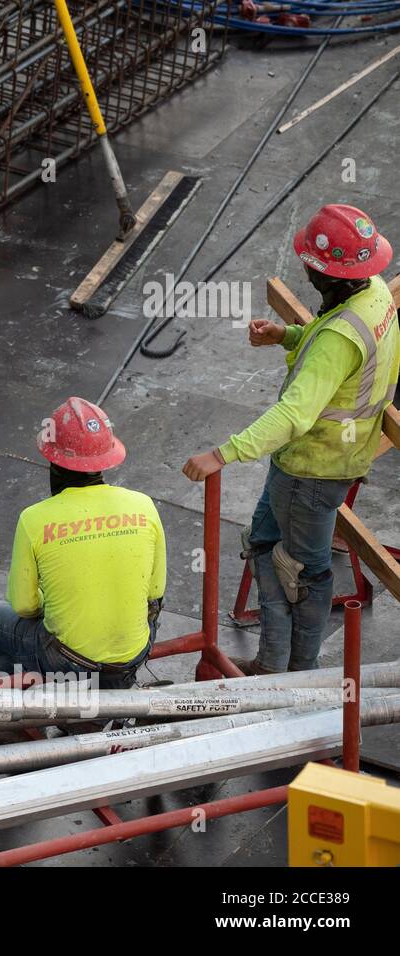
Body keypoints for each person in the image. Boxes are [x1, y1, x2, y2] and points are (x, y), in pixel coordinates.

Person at [183, 204, 396, 674]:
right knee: (264, 543)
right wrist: (290, 336)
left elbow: (295, 413)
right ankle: (275, 663)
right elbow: (337, 354)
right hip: (326, 461)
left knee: (305, 573)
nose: (305, 269)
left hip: (312, 470)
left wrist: (222, 454)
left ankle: (295, 674)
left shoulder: (340, 336)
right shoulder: (374, 293)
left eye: (311, 265)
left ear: (330, 274)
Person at [0, 397, 165, 688]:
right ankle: (92, 709)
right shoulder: (144, 505)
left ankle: (16, 704)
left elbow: (24, 607)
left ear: (52, 460)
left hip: (68, 662)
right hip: (133, 653)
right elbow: (155, 590)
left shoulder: (34, 519)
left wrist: (59, 600)